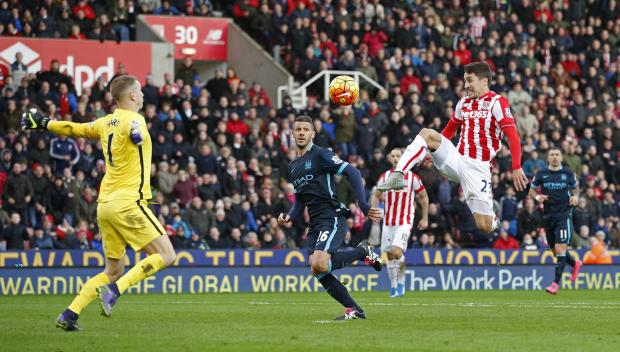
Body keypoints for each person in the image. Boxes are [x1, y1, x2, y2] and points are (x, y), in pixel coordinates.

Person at [21, 75, 176, 331]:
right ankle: (114, 292)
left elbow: (75, 128)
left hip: (105, 206)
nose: (144, 95)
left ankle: (70, 314)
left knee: (113, 269)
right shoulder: (136, 119)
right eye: (140, 91)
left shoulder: (105, 122)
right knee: (167, 255)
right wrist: (137, 134)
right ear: (133, 96)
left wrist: (45, 123)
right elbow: (135, 130)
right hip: (128, 202)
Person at [378, 62, 528, 234]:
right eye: (465, 81)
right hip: (457, 158)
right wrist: (432, 150)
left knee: (484, 226)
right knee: (427, 134)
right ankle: (399, 174)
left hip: (478, 169)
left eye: (470, 80)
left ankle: (493, 220)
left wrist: (516, 167)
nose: (466, 86)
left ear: (484, 80)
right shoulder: (463, 102)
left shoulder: (497, 102)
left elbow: (513, 136)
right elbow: (449, 130)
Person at [277, 115, 383, 320]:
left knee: (321, 264)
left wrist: (362, 203)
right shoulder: (293, 166)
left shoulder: (321, 154)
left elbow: (352, 171)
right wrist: (289, 216)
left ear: (312, 134)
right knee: (317, 269)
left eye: (305, 129)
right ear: (292, 133)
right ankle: (355, 310)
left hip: (331, 216)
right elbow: (300, 198)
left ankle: (362, 252)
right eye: (297, 129)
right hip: (314, 223)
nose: (301, 133)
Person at [372, 148, 428, 298]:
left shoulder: (412, 177)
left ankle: (402, 282)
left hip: (404, 221)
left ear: (403, 157)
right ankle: (394, 286)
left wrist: (425, 218)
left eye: (398, 156)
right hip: (388, 222)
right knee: (389, 256)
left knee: (397, 252)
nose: (396, 158)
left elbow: (423, 197)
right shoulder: (385, 177)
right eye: (393, 156)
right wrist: (373, 209)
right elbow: (376, 195)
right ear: (390, 158)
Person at [529, 147, 582, 295]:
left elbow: (576, 189)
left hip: (563, 215)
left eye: (557, 154)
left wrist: (575, 197)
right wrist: (537, 197)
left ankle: (555, 284)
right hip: (548, 216)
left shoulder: (568, 173)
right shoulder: (541, 174)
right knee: (554, 251)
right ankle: (575, 263)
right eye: (551, 154)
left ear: (561, 158)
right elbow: (532, 190)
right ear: (548, 158)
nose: (554, 157)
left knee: (560, 249)